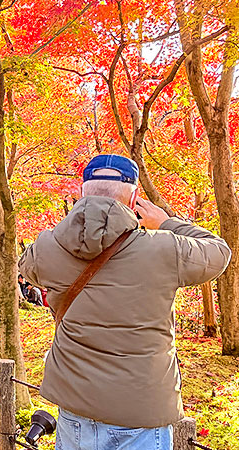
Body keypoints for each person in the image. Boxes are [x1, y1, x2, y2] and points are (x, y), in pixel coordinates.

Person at [19, 154, 231, 450]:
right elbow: (219, 252)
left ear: (81, 194)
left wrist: (74, 224)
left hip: (74, 408)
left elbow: (27, 265)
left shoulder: (47, 247)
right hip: (140, 414)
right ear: (133, 201)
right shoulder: (165, 249)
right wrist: (167, 222)